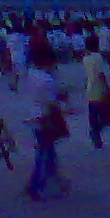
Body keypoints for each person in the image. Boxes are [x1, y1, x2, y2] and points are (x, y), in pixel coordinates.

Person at [20, 48, 70, 200]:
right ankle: (38, 187)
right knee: (44, 154)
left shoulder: (30, 74)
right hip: (44, 118)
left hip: (32, 115)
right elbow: (51, 103)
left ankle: (47, 184)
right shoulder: (47, 80)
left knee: (47, 153)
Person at [82, 35, 110, 148]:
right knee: (106, 116)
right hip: (99, 89)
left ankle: (96, 136)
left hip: (90, 88)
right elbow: (101, 74)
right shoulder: (98, 57)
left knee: (93, 116)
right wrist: (107, 87)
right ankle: (96, 133)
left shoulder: (85, 58)